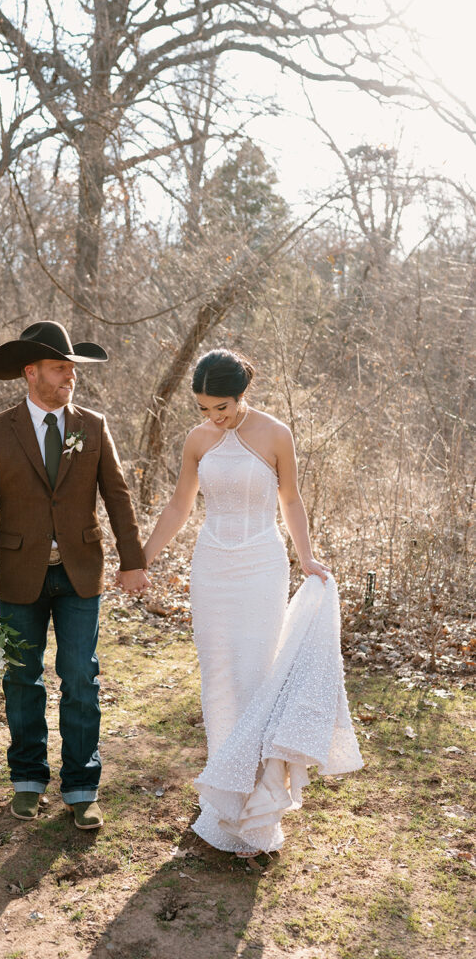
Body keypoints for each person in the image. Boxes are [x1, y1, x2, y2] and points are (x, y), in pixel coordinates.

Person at [144, 348, 362, 856]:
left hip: (262, 565)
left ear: (242, 394)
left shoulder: (275, 433)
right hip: (212, 567)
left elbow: (290, 499)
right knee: (220, 675)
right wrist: (143, 557)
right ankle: (224, 793)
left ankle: (260, 805)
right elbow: (180, 503)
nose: (212, 417)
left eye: (220, 407)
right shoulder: (198, 440)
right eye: (203, 408)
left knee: (255, 672)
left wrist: (305, 558)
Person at [0, 320, 150, 830]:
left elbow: (117, 495)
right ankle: (26, 780)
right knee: (22, 677)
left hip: (80, 573)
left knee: (81, 677)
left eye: (72, 368)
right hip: (18, 576)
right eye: (59, 367)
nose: (69, 375)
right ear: (31, 372)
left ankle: (82, 786)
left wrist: (133, 560)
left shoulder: (92, 425)